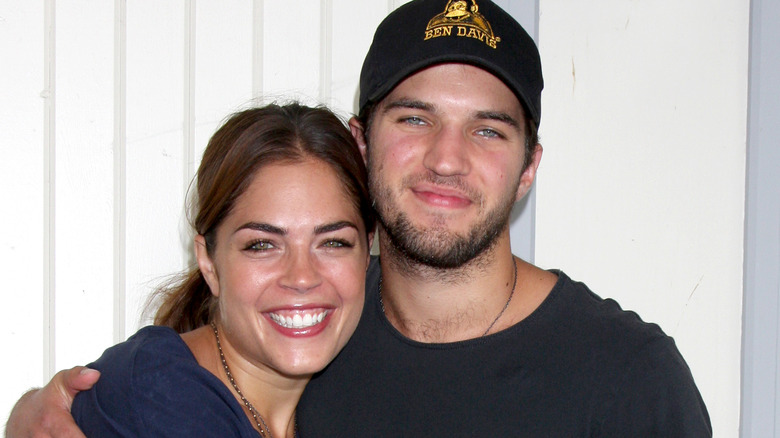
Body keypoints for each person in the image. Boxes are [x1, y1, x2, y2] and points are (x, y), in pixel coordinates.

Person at [6, 1, 712, 437]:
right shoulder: (307, 325)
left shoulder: (626, 378)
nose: (446, 159)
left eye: (488, 131)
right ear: (362, 141)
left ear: (529, 166)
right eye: (415, 118)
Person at [56, 103, 374, 437]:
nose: (302, 277)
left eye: (334, 243)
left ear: (367, 254)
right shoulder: (159, 392)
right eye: (262, 245)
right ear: (209, 263)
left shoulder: (339, 401)